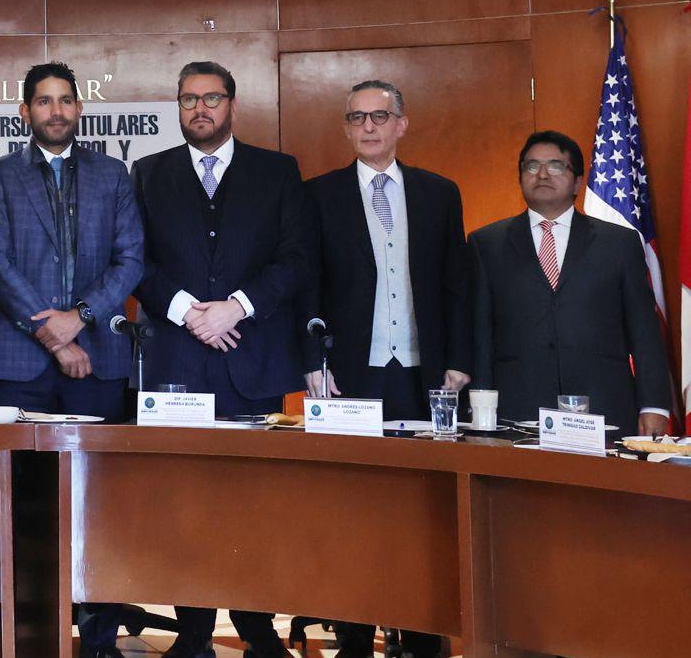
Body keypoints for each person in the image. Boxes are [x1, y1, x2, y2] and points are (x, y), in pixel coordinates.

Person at [130, 61, 308, 658]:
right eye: (188, 99)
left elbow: (295, 258)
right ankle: (194, 630)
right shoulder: (149, 173)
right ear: (177, 106)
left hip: (250, 361)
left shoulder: (277, 171)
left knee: (252, 501)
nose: (199, 109)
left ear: (232, 104)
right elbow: (135, 260)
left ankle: (257, 628)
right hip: (176, 363)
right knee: (185, 502)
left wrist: (237, 307)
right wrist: (188, 312)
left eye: (211, 98)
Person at [0, 62, 142, 658]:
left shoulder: (113, 175)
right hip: (21, 364)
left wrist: (81, 318)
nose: (56, 111)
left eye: (65, 100)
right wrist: (54, 334)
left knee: (100, 503)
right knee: (23, 502)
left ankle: (99, 638)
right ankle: (30, 637)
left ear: (79, 108)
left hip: (99, 358)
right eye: (44, 101)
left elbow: (130, 259)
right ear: (26, 112)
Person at [300, 80, 468, 658]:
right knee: (352, 507)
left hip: (423, 378)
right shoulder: (317, 195)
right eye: (357, 118)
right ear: (346, 128)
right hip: (350, 375)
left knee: (425, 509)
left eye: (379, 116)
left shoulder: (439, 193)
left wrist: (459, 361)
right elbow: (306, 286)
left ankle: (422, 632)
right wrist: (311, 362)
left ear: (402, 124)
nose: (368, 127)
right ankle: (352, 633)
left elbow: (455, 285)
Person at [470, 130, 672, 437]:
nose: (542, 174)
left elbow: (643, 329)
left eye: (555, 166)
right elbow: (480, 334)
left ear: (577, 182)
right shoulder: (487, 243)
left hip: (604, 402)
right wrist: (480, 408)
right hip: (518, 406)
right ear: (520, 177)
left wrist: (654, 405)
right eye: (531, 166)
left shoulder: (619, 243)